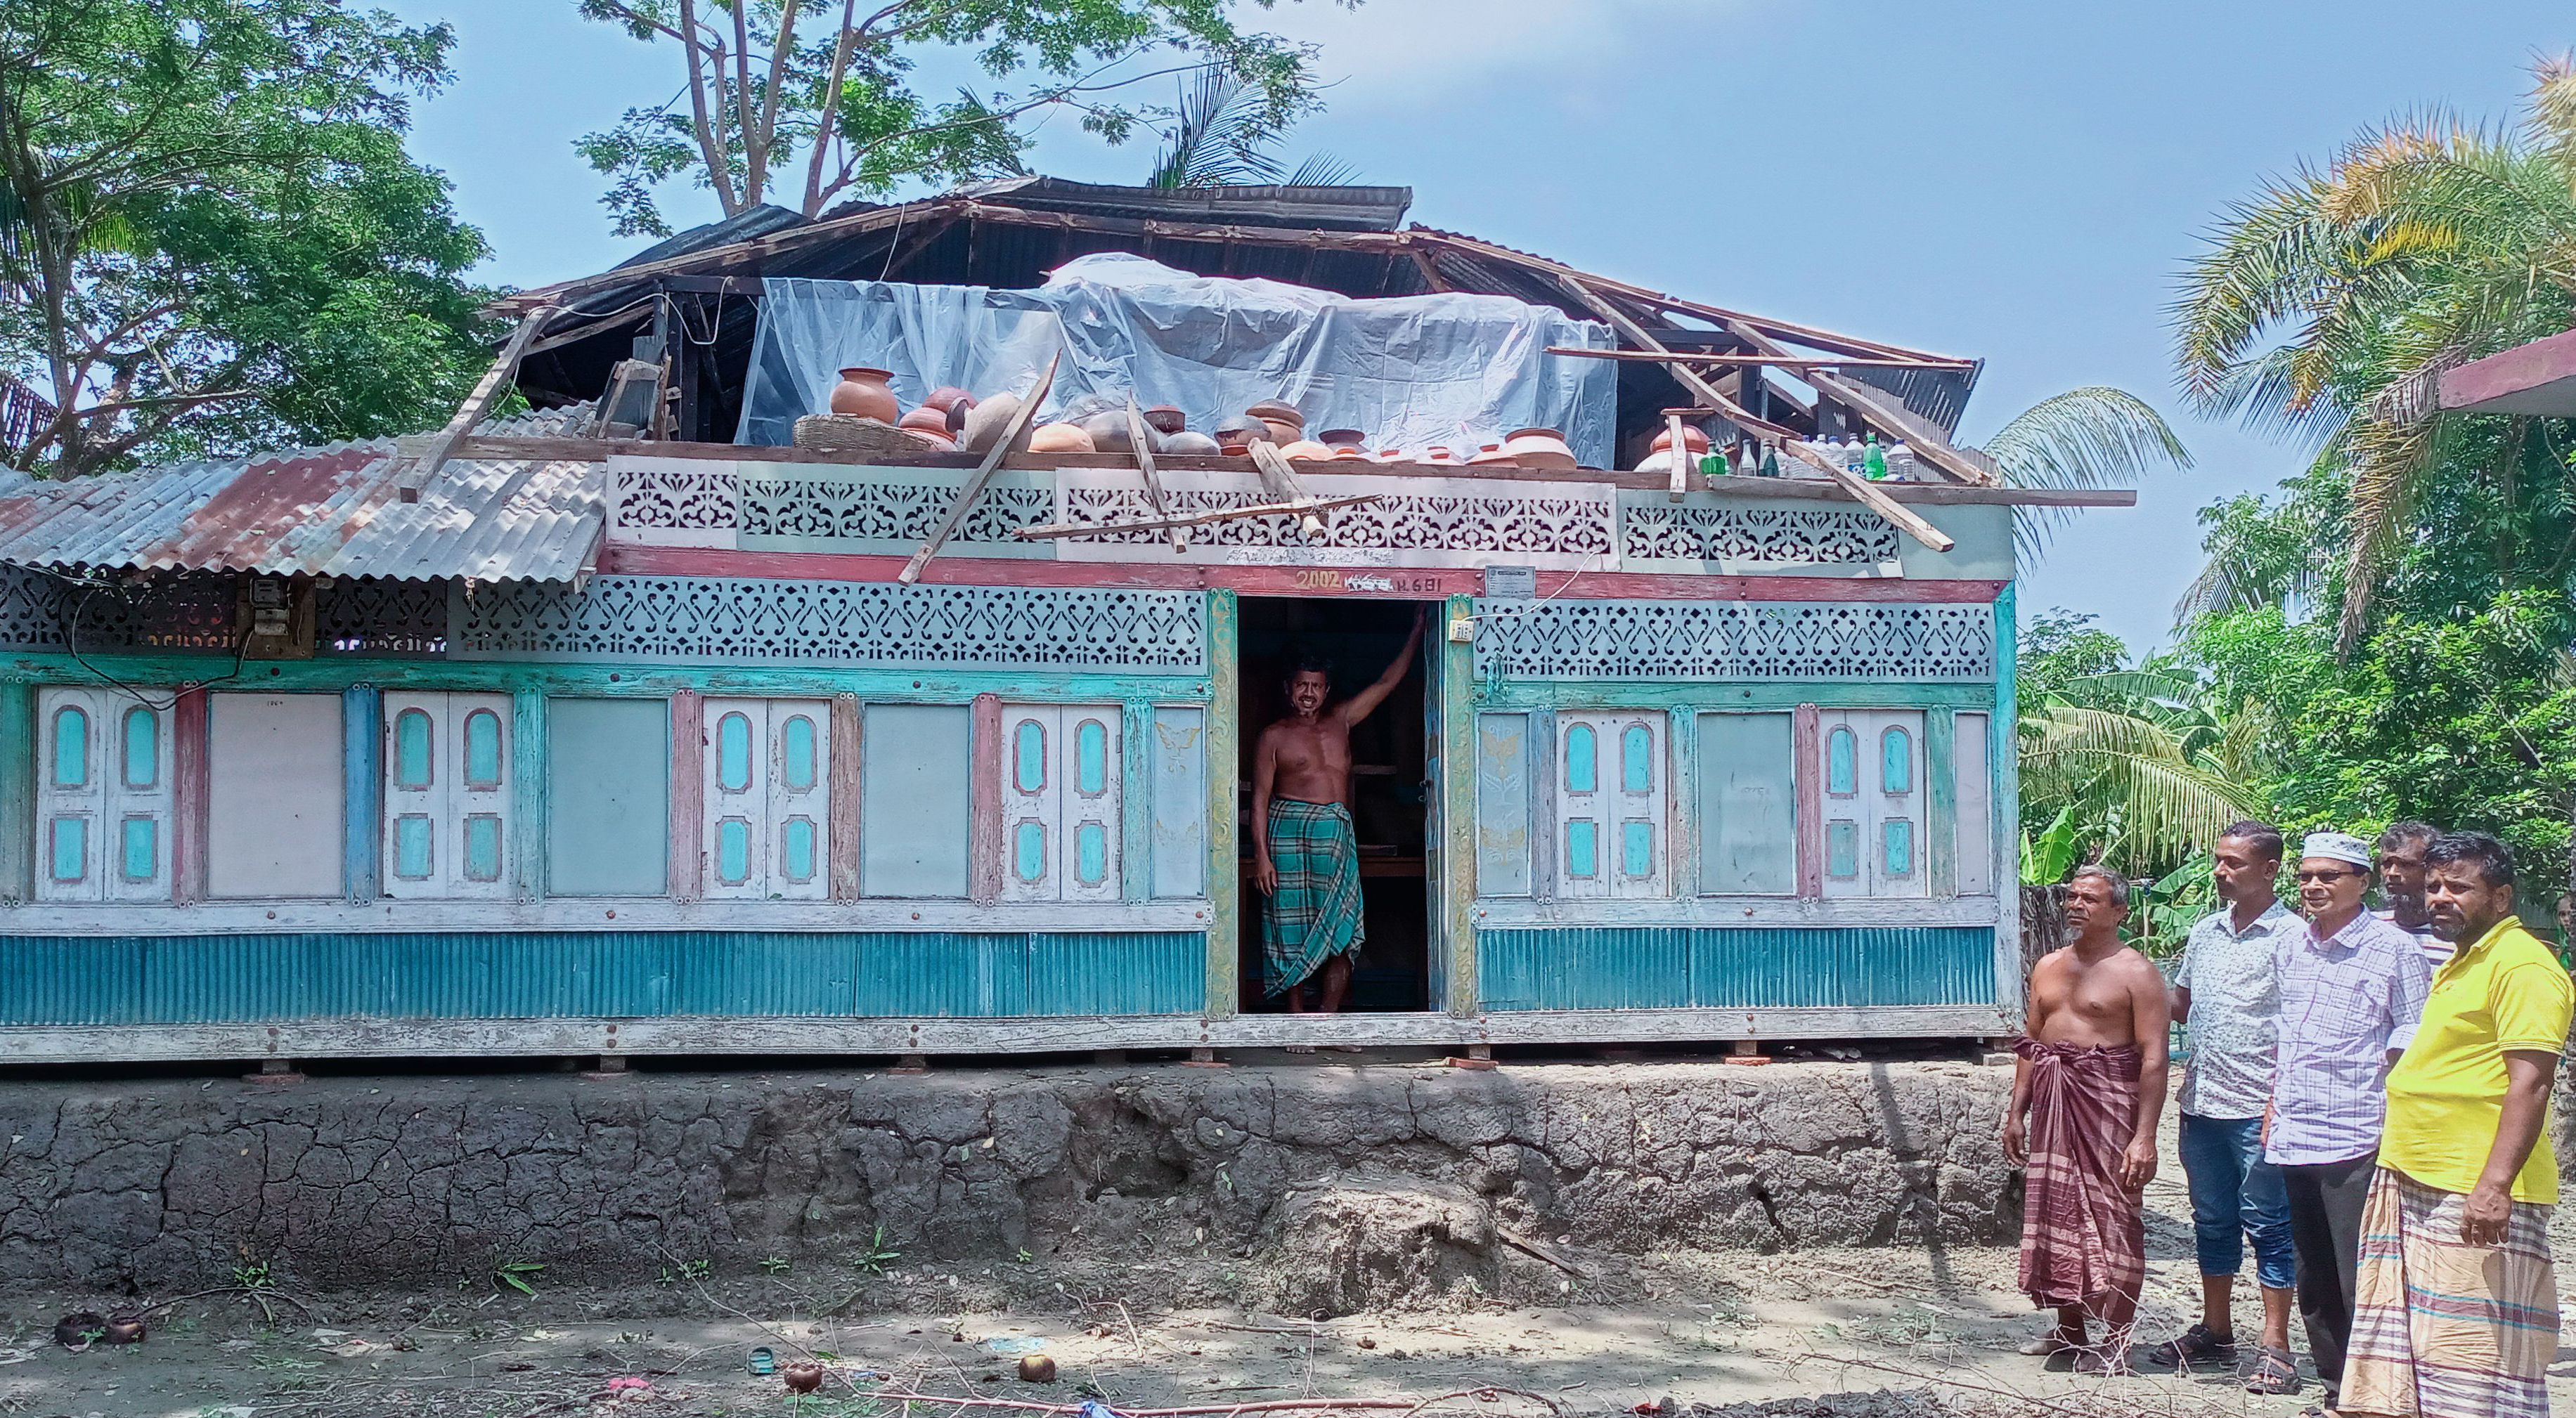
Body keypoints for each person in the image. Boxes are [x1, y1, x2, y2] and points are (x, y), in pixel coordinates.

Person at [2343, 832, 2573, 1418]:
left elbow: (2530, 1082)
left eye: (2458, 887)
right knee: (2420, 1350)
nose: (2440, 897)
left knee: (2475, 1358)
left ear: (2500, 897)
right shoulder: (2464, 959)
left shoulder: (2522, 965)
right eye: (2435, 886)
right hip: (2416, 1175)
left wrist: (2493, 1185)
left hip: (2472, 1186)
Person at [2265, 831, 2431, 1417]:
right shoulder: (2290, 946)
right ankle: (2337, 1389)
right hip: (2296, 1132)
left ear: (2362, 882)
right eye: (2307, 876)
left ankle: (2378, 1393)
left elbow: (2412, 1037)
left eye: (2329, 876)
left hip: (2360, 1133)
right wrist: (2271, 1111)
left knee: (2359, 1271)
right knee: (2311, 1275)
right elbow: (2285, 1040)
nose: (2313, 886)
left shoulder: (2393, 950)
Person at [2151, 821, 2300, 1386]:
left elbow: (2304, 1025)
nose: (2220, 871)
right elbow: (2182, 1003)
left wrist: (2279, 1100)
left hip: (2261, 1107)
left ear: (2268, 870)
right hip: (2202, 1101)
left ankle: (2275, 1343)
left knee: (2268, 1222)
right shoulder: (2205, 932)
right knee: (2212, 1220)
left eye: (2234, 863)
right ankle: (2215, 1329)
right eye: (2218, 860)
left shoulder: (2294, 938)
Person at [2006, 866, 2172, 1374]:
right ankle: (2068, 1331)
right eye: (2072, 897)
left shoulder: (2137, 973)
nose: (2076, 905)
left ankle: (2117, 1340)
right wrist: (2016, 1110)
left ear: (2118, 910)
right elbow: (2032, 1044)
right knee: (2057, 1212)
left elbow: (2153, 1058)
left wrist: (2144, 1137)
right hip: (2054, 1104)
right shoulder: (2048, 966)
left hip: (2108, 1106)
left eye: (2091, 899)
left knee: (2116, 1218)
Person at [1251, 611, 1425, 1017]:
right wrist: (1262, 856)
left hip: (1336, 839)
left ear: (1327, 690)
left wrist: (1417, 629)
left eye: (1316, 686)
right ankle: (1298, 1021)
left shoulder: (1342, 722)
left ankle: (1328, 1018)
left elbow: (1387, 682)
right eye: (1301, 686)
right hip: (1288, 836)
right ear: (1288, 689)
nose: (1308, 693)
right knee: (1290, 928)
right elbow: (1260, 798)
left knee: (1343, 930)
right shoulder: (1273, 736)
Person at [2372, 821, 2442, 963]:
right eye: (2386, 864)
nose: (2392, 873)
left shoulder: (2456, 936)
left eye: (2405, 864)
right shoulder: (2369, 927)